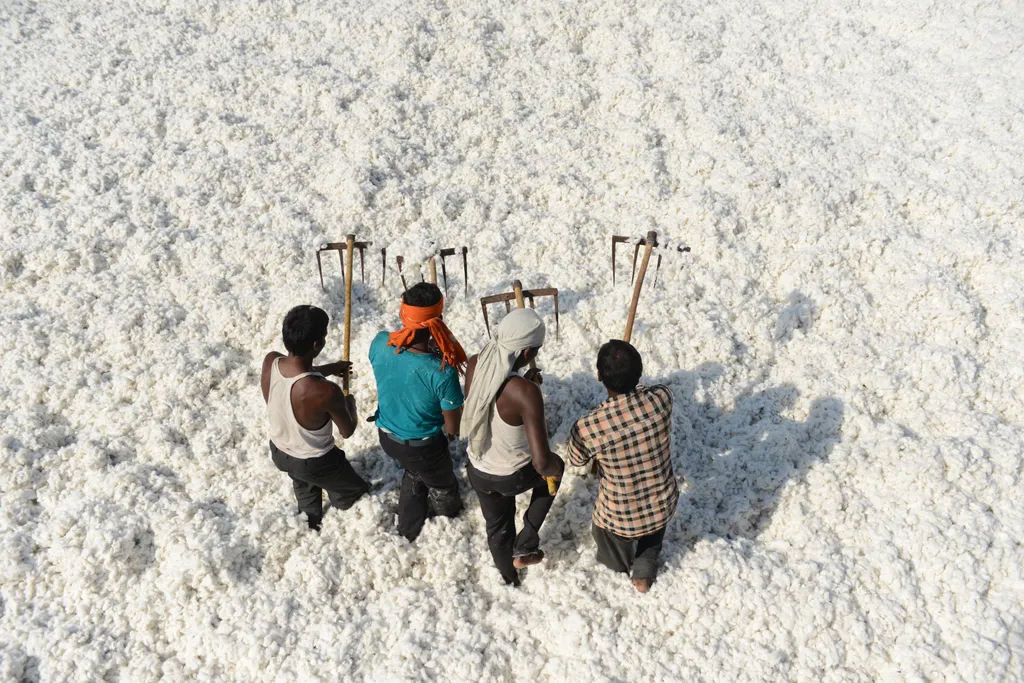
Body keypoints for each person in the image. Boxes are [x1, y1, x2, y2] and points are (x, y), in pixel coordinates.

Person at [461, 308, 565, 586]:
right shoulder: (526, 393)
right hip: (512, 476)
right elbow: (542, 464)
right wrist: (558, 466)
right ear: (528, 352)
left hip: (478, 469)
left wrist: (522, 383)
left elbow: (492, 397)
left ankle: (509, 577)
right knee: (555, 468)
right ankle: (527, 541)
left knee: (497, 527)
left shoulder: (475, 363)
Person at [565, 340, 678, 593]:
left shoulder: (588, 428)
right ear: (639, 372)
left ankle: (616, 568)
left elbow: (576, 461)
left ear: (599, 376)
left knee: (604, 530)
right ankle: (644, 570)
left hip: (620, 518)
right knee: (653, 528)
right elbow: (647, 392)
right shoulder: (662, 399)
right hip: (663, 504)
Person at [369, 283, 467, 542]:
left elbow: (400, 370)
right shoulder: (441, 372)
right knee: (443, 486)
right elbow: (453, 427)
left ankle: (408, 528)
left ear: (404, 315)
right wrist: (452, 435)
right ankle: (446, 516)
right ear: (439, 322)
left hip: (387, 436)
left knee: (414, 469)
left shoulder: (380, 343)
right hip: (424, 448)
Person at [261, 305, 369, 531]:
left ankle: (310, 521)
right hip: (316, 461)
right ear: (316, 345)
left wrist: (329, 369)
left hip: (281, 451)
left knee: (304, 483)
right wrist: (349, 401)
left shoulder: (271, 362)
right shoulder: (325, 392)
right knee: (353, 491)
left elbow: (293, 379)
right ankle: (343, 508)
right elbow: (347, 431)